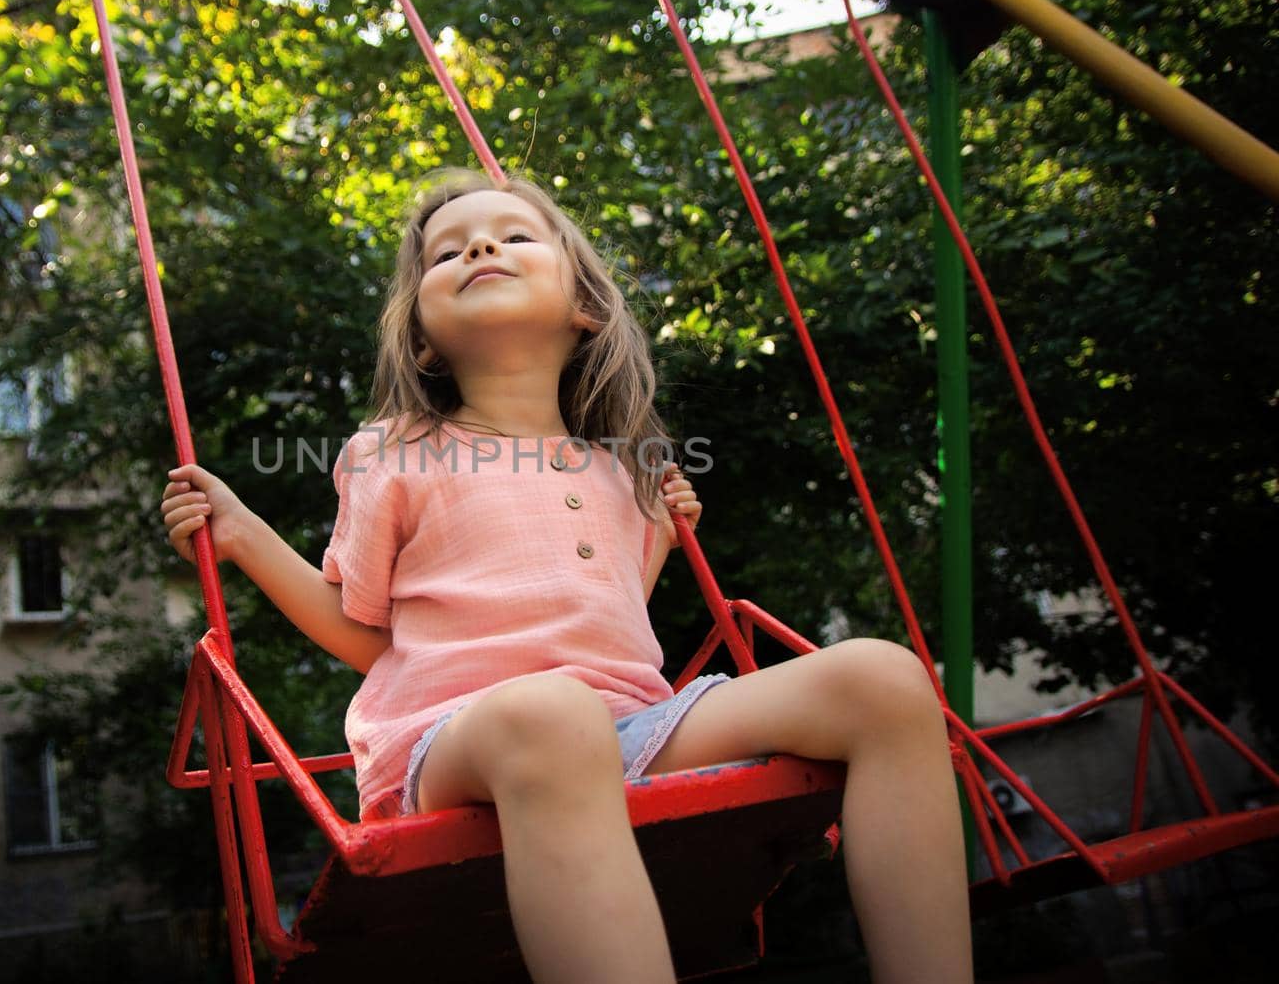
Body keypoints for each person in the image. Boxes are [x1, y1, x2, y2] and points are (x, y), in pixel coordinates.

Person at [159, 169, 972, 984]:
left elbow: (607, 621)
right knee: (555, 713)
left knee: (886, 678)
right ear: (421, 338)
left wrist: (656, 533)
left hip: (629, 727)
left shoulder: (619, 468)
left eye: (513, 236)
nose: (479, 245)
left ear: (583, 307)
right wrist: (246, 533)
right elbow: (366, 633)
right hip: (458, 739)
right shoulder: (396, 450)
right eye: (447, 252)